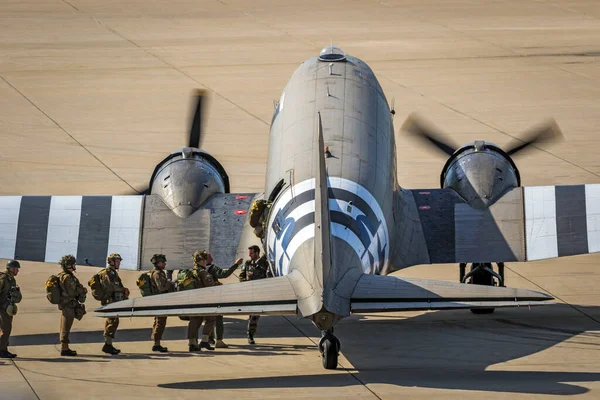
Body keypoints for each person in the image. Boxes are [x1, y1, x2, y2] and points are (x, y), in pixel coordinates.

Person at [206, 253, 243, 348]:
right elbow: (224, 274)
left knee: (208, 319)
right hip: (214, 297)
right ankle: (219, 340)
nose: (212, 259)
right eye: (210, 257)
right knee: (218, 318)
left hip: (203, 298)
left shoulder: (196, 269)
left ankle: (207, 339)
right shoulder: (212, 268)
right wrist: (236, 265)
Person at [184, 251, 216, 352]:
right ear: (201, 261)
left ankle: (192, 342)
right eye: (205, 260)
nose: (206, 262)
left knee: (194, 321)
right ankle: (205, 340)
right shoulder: (203, 273)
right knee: (211, 318)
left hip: (192, 301)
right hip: (203, 300)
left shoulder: (191, 272)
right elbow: (210, 286)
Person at [239, 245, 272, 344]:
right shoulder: (247, 263)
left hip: (259, 293)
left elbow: (268, 276)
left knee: (254, 315)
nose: (250, 256)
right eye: (249, 254)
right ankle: (250, 335)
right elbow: (241, 275)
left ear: (257, 253)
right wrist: (245, 282)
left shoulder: (264, 264)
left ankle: (251, 335)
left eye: (251, 254)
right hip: (250, 293)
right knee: (252, 315)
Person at [56, 255, 87, 356]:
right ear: (69, 265)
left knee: (65, 326)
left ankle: (65, 347)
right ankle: (64, 348)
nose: (75, 265)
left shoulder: (64, 275)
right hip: (68, 305)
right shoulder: (67, 277)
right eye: (73, 263)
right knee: (66, 327)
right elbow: (72, 291)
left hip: (67, 305)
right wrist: (82, 290)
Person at [100, 253, 129, 355]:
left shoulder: (113, 273)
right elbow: (110, 287)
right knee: (112, 322)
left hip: (114, 301)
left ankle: (108, 344)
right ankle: (108, 345)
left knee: (112, 322)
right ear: (111, 262)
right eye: (117, 261)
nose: (119, 263)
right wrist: (123, 289)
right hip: (111, 301)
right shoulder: (108, 273)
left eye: (119, 261)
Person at [148, 254, 175, 352]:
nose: (165, 264)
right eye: (163, 262)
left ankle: (156, 342)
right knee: (160, 322)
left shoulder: (157, 272)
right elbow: (161, 287)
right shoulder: (157, 274)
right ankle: (156, 343)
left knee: (158, 321)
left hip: (159, 300)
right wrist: (169, 282)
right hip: (160, 301)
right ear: (159, 263)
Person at [0, 260, 21, 359]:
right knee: (5, 329)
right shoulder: (4, 278)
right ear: (11, 268)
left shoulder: (11, 279)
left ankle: (3, 349)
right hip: (3, 308)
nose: (18, 271)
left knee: (7, 329)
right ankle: (2, 351)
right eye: (16, 269)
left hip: (7, 307)